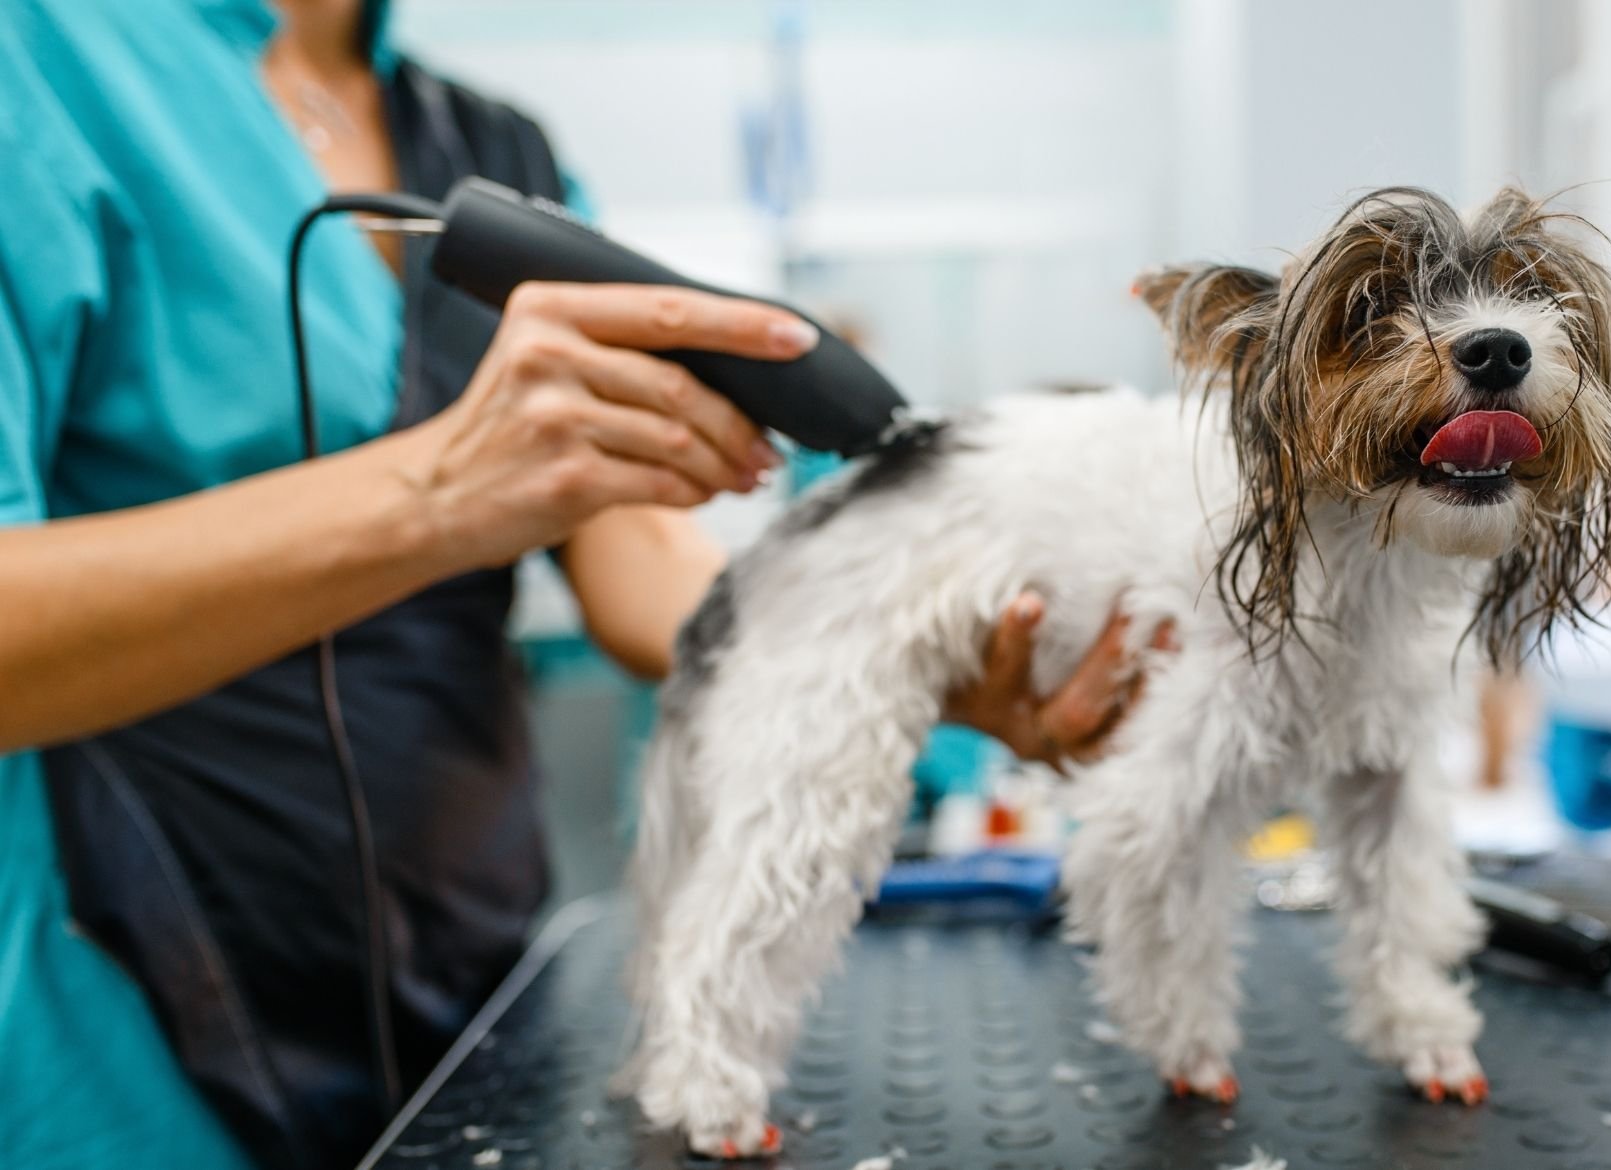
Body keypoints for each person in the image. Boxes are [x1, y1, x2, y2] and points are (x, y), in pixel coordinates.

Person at [0, 2, 1166, 1168]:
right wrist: (440, 494)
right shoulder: (39, 69)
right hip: (130, 1007)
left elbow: (642, 569)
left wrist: (885, 650)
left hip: (471, 970)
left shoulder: (488, 145)